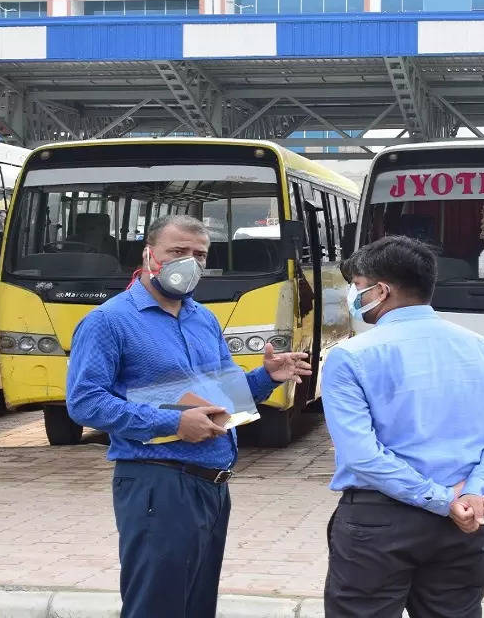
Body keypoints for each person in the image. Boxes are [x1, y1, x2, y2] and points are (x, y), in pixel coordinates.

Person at [66, 214, 312, 618]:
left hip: (212, 486)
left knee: (197, 605)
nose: (190, 263)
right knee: (157, 606)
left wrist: (264, 378)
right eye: (177, 252)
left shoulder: (203, 318)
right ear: (149, 255)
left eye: (200, 254)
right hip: (158, 483)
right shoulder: (108, 322)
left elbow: (221, 398)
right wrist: (173, 422)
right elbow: (86, 402)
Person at [322, 235, 484, 618]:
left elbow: (361, 454)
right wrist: (472, 492)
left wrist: (442, 500)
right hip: (463, 524)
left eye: (357, 287)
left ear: (381, 290)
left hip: (379, 523)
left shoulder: (350, 358)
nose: (354, 296)